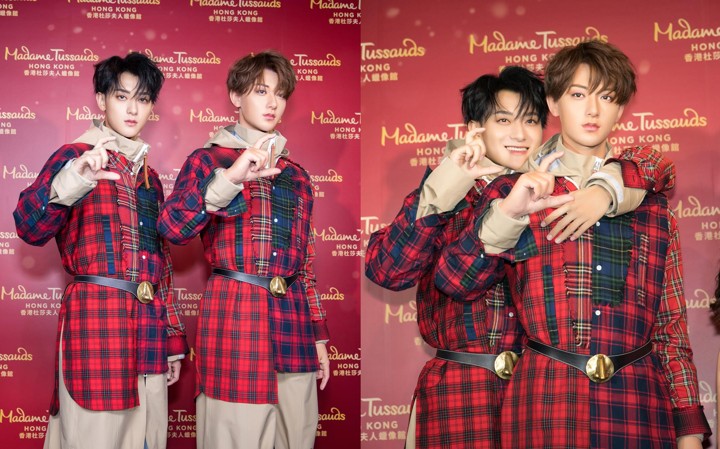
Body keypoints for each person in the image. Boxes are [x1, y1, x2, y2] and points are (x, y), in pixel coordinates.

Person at [365, 66, 659, 449]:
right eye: (503, 120)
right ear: (475, 128)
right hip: (462, 394)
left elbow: (652, 164)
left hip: (540, 395)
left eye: (531, 121)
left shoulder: (554, 192)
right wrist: (448, 182)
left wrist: (607, 187)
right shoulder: (448, 191)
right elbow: (388, 271)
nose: (520, 134)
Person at [436, 40, 711, 448]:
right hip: (543, 405)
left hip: (638, 405)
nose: (593, 111)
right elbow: (454, 282)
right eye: (578, 95)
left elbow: (671, 329)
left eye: (608, 97)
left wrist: (688, 428)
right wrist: (508, 214)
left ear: (622, 108)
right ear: (553, 102)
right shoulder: (515, 192)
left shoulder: (651, 206)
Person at [13, 52, 189, 449]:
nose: (132, 109)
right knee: (94, 436)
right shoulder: (73, 157)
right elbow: (28, 226)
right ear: (101, 100)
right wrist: (73, 179)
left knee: (147, 438)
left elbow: (161, 266)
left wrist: (173, 340)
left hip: (149, 327)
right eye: (121, 97)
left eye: (142, 99)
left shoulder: (150, 178)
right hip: (96, 324)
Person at [157, 50, 330, 449]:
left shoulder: (297, 176)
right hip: (235, 314)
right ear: (236, 96)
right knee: (235, 436)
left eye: (280, 94)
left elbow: (304, 264)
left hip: (293, 321)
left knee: (296, 436)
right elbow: (172, 228)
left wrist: (318, 336)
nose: (273, 103)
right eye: (261, 91)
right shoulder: (208, 160)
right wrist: (229, 180)